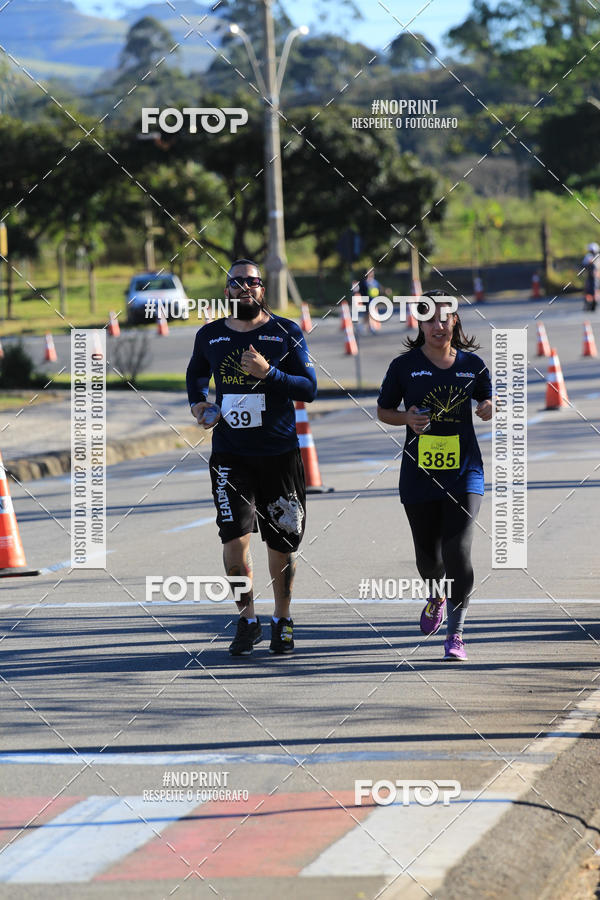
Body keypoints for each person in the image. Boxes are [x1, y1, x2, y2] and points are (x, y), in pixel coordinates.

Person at [186, 259, 317, 656]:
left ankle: (282, 618)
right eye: (237, 281)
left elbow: (309, 388)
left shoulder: (285, 332)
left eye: (253, 282)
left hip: (279, 455)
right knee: (234, 540)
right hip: (230, 457)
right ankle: (246, 620)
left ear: (263, 289)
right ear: (226, 289)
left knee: (282, 543)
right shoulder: (210, 335)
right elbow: (195, 375)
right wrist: (199, 406)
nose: (245, 287)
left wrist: (269, 374)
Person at [376, 290, 492, 661]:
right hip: (419, 475)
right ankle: (435, 594)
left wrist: (488, 406)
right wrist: (407, 419)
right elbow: (383, 410)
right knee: (429, 559)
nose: (438, 325)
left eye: (446, 318)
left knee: (457, 551)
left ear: (455, 321)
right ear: (420, 323)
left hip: (465, 472)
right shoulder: (404, 366)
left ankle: (456, 634)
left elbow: (487, 398)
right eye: (430, 318)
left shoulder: (473, 365)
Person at [582, 242, 599, 312]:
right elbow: (585, 264)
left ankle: (593, 305)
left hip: (595, 277)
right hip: (591, 276)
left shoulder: (595, 257)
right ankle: (590, 305)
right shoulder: (589, 256)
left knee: (594, 291)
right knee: (590, 291)